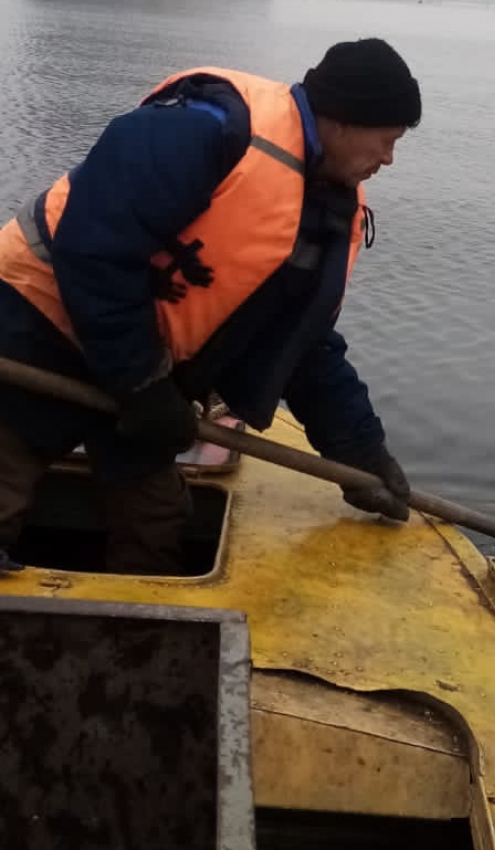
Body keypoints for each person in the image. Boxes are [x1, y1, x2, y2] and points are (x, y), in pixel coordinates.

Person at [0, 37, 421, 574]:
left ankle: (134, 639)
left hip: (141, 364)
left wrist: (360, 455)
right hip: (37, 328)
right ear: (343, 120)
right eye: (387, 140)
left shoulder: (323, 207)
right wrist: (143, 386)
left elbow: (304, 345)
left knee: (156, 521)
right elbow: (94, 249)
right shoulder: (209, 127)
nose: (388, 159)